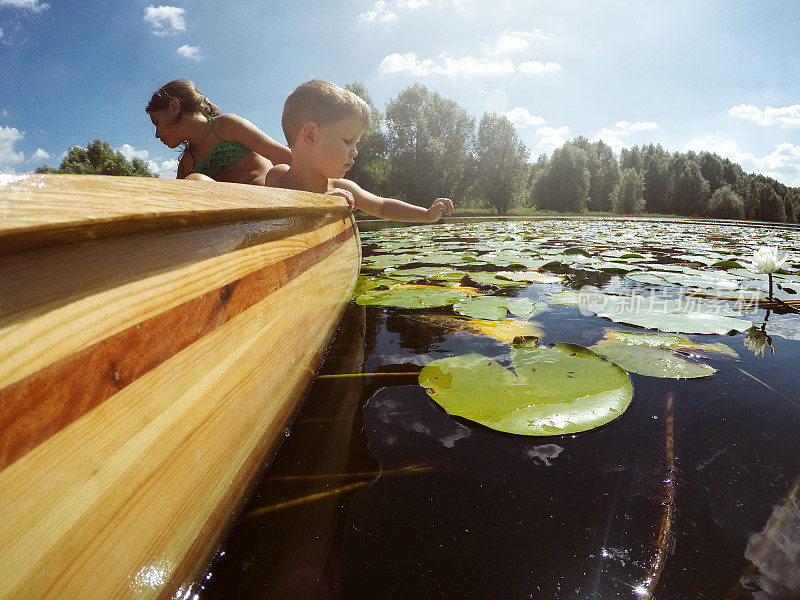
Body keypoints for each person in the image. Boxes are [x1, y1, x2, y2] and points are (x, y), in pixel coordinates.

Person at [269, 79, 453, 222]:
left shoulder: (342, 187)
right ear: (311, 136)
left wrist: (427, 215)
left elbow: (382, 207)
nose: (355, 152)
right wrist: (320, 205)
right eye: (348, 141)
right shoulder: (276, 181)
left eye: (356, 143)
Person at [146, 79, 291, 185]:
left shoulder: (227, 126)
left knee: (280, 171)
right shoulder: (188, 162)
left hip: (271, 203)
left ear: (173, 108)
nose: (156, 134)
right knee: (195, 181)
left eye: (157, 122)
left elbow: (288, 157)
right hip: (235, 219)